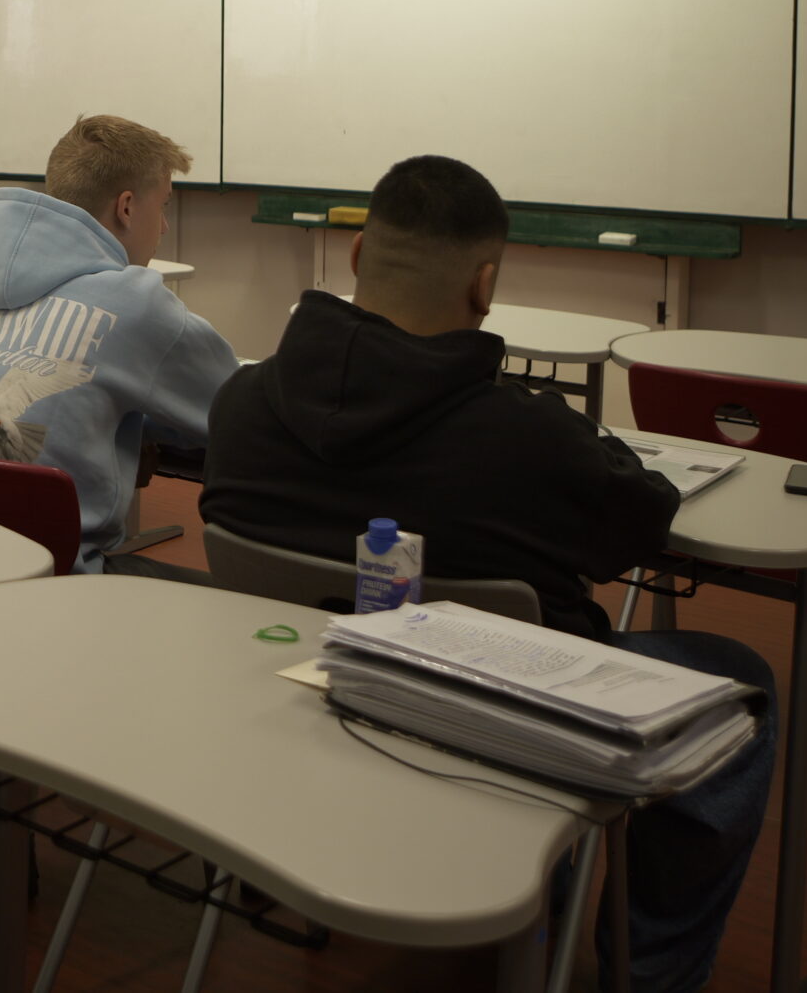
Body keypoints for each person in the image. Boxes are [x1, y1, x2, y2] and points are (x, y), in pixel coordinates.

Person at [202, 154, 775, 993]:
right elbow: (642, 520)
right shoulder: (530, 438)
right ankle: (654, 976)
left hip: (304, 695)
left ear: (357, 256)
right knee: (743, 679)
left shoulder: (239, 404)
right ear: (485, 284)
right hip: (509, 731)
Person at [0, 115, 237, 576]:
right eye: (163, 205)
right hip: (56, 579)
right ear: (127, 208)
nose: (165, 225)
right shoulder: (136, 302)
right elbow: (236, 410)